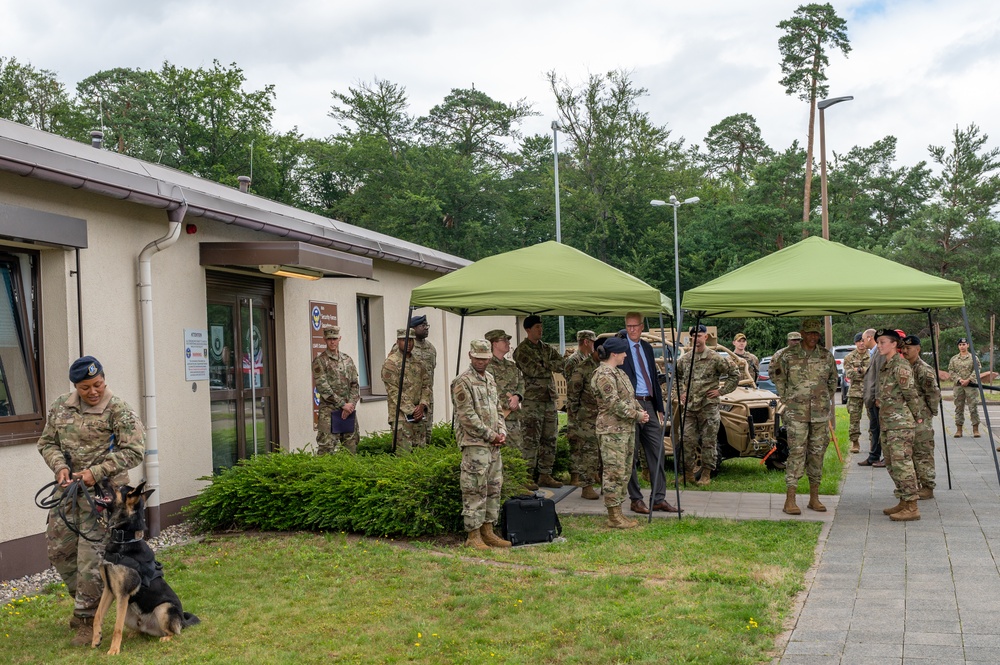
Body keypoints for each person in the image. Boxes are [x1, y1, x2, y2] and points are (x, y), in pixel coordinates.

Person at [37, 356, 146, 645]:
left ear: (104, 380)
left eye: (97, 384)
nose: (93, 391)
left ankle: (87, 619)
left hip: (105, 498)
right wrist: (59, 466)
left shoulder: (118, 410)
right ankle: (85, 603)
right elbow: (47, 442)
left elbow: (134, 450)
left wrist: (95, 473)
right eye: (86, 387)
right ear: (76, 386)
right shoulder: (61, 406)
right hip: (68, 493)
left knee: (91, 557)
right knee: (59, 551)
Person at [773, 319, 838, 515]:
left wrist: (823, 399)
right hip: (796, 414)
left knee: (817, 454)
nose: (813, 337)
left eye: (816, 333)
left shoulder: (826, 356)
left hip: (819, 414)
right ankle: (790, 499)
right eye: (810, 333)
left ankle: (814, 498)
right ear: (802, 333)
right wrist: (787, 398)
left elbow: (833, 380)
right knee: (797, 454)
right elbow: (777, 376)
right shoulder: (788, 355)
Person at [452, 339, 511, 550]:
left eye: (485, 359)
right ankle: (473, 535)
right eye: (478, 358)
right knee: (474, 488)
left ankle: (488, 530)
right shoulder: (462, 382)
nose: (481, 362)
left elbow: (498, 408)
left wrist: (502, 431)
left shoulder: (490, 380)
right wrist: (490, 435)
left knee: (494, 487)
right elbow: (467, 416)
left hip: (494, 445)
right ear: (470, 356)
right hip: (475, 444)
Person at [621, 313, 679, 513]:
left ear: (642, 326)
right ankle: (636, 499)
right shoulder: (619, 347)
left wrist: (659, 408)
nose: (632, 330)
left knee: (658, 451)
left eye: (635, 326)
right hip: (630, 405)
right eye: (628, 326)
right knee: (631, 454)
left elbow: (653, 377)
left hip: (648, 404)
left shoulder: (646, 347)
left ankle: (658, 498)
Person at [591, 336, 649, 529]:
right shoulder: (604, 375)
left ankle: (619, 511)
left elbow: (629, 397)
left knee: (624, 471)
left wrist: (640, 410)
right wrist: (637, 415)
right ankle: (613, 515)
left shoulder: (619, 373)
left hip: (625, 429)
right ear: (614, 353)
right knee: (614, 472)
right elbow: (613, 403)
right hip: (611, 431)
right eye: (623, 352)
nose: (626, 355)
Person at [675, 324, 739, 488]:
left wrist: (721, 391)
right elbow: (676, 376)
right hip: (690, 407)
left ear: (706, 337)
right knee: (686, 440)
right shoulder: (685, 359)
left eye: (700, 335)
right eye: (693, 336)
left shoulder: (715, 358)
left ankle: (706, 474)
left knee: (708, 442)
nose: (696, 338)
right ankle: (688, 473)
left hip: (708, 407)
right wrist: (681, 392)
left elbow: (734, 374)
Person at [875, 329, 924, 521]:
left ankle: (912, 506)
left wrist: (918, 416)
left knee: (902, 464)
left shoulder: (900, 365)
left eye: (883, 342)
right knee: (891, 464)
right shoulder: (887, 365)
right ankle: (904, 500)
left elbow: (910, 393)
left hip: (900, 424)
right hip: (888, 422)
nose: (879, 346)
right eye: (878, 342)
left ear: (894, 344)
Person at [513, 315, 565, 488]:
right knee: (530, 439)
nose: (540, 330)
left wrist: (545, 363)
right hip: (532, 400)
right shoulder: (522, 350)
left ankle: (545, 474)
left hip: (549, 399)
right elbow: (533, 370)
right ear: (528, 330)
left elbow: (561, 364)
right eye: (537, 327)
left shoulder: (547, 348)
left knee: (550, 438)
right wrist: (547, 365)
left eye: (541, 326)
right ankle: (527, 476)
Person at [902, 335, 941, 500]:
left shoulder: (923, 369)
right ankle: (917, 484)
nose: (905, 351)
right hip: (908, 415)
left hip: (922, 416)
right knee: (910, 452)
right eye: (903, 348)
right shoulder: (904, 366)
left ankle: (927, 486)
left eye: (908, 348)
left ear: (918, 349)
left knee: (923, 452)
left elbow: (933, 393)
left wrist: (930, 412)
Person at [380, 328, 431, 454]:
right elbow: (393, 391)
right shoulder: (391, 363)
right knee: (404, 455)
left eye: (411, 340)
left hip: (419, 415)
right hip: (401, 416)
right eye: (404, 340)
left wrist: (422, 405)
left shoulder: (419, 362)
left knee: (421, 454)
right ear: (398, 341)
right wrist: (412, 410)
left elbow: (426, 385)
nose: (408, 343)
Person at [484, 328, 526, 482]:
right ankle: (505, 484)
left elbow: (521, 383)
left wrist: (517, 397)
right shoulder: (487, 366)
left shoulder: (512, 366)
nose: (508, 343)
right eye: (504, 340)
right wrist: (508, 402)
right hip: (497, 416)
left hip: (513, 416)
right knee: (499, 453)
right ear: (494, 343)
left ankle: (518, 482)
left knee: (517, 450)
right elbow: (489, 391)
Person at [312, 326, 360, 454]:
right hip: (329, 411)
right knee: (326, 449)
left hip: (348, 411)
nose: (332, 342)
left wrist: (350, 405)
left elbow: (355, 385)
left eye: (334, 338)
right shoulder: (320, 361)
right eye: (329, 339)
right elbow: (323, 387)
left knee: (351, 449)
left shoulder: (348, 360)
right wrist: (342, 404)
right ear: (324, 340)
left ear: (339, 339)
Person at [566, 331, 601, 500]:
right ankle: (585, 483)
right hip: (586, 416)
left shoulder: (602, 365)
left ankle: (595, 476)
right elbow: (573, 392)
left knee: (598, 451)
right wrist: (575, 415)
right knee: (587, 450)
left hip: (600, 415)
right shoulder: (580, 365)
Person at [859, 328, 886, 467]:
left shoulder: (880, 353)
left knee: (882, 429)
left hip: (877, 399)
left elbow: (879, 377)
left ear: (870, 338)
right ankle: (874, 456)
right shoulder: (874, 352)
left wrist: (877, 397)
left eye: (863, 340)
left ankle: (885, 457)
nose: (862, 343)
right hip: (872, 398)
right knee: (874, 428)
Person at [409, 314, 438, 446]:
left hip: (427, 399)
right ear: (413, 328)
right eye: (423, 325)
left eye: (427, 325)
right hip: (411, 399)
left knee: (427, 433)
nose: (426, 328)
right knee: (411, 436)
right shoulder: (406, 347)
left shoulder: (431, 349)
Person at [842, 332, 870, 454]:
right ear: (855, 343)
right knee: (854, 418)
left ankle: (873, 442)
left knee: (873, 418)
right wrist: (865, 371)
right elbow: (849, 374)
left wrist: (858, 370)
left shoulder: (872, 355)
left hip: (870, 391)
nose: (861, 344)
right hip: (855, 392)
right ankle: (855, 442)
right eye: (858, 341)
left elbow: (874, 372)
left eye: (863, 341)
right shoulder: (849, 357)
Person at [947, 338, 980, 438]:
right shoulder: (954, 359)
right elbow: (951, 371)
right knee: (959, 408)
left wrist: (969, 380)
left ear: (968, 345)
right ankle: (959, 430)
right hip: (959, 386)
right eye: (960, 344)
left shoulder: (973, 358)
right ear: (958, 346)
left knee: (973, 408)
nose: (962, 346)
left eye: (964, 344)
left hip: (971, 386)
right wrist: (959, 379)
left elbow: (977, 370)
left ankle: (975, 429)